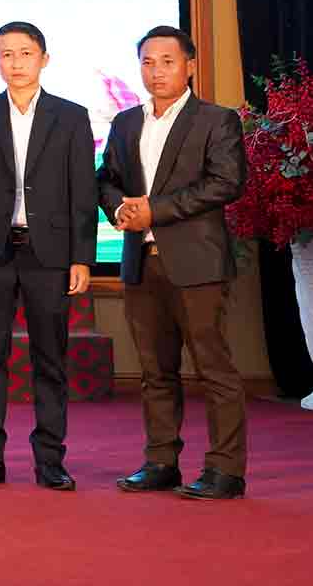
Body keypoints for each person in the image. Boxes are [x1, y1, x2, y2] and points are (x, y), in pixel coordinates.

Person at [99, 25, 248, 500]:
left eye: (167, 61)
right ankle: (161, 461)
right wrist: (119, 207)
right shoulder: (125, 122)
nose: (156, 71)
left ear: (190, 65)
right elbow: (106, 178)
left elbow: (227, 182)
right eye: (147, 61)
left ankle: (226, 471)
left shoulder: (216, 119)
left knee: (213, 369)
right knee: (154, 371)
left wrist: (154, 210)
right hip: (141, 262)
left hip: (197, 263)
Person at [0, 22, 96, 491]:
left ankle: (50, 459)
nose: (16, 63)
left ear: (44, 59)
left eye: (25, 53)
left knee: (50, 360)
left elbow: (83, 190)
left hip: (50, 255)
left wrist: (82, 257)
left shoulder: (71, 116)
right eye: (6, 55)